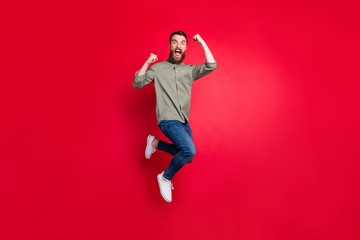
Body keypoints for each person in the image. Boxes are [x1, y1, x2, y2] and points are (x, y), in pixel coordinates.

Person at [133, 30, 217, 202]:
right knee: (189, 150)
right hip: (167, 119)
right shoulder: (158, 68)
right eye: (174, 42)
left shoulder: (190, 71)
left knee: (188, 155)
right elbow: (137, 83)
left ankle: (154, 142)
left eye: (182, 42)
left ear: (185, 47)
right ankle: (165, 177)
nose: (178, 45)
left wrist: (201, 42)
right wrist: (148, 62)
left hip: (183, 121)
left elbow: (211, 65)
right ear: (170, 46)